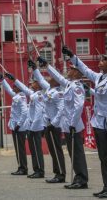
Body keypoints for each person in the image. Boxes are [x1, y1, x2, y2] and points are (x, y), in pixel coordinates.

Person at [37, 56, 88, 189]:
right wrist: (47, 66)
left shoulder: (77, 86)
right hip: (68, 125)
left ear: (77, 72)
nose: (69, 70)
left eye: (72, 69)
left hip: (74, 125)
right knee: (73, 153)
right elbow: (58, 78)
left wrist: (72, 123)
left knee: (77, 152)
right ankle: (78, 178)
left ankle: (82, 179)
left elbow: (78, 106)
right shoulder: (69, 84)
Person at [62, 47, 107, 197]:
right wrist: (72, 56)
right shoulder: (100, 77)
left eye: (103, 60)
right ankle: (106, 187)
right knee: (103, 157)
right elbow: (85, 69)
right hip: (99, 123)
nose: (100, 62)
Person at [28, 59, 66, 183]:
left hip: (54, 125)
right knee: (53, 151)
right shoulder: (50, 89)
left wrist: (53, 123)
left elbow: (61, 109)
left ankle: (60, 174)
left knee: (56, 150)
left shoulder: (59, 92)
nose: (48, 78)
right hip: (49, 124)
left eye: (51, 77)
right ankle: (57, 173)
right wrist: (35, 69)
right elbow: (40, 80)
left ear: (56, 79)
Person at [5, 72, 45, 178]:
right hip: (28, 126)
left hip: (31, 127)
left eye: (34, 82)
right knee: (32, 149)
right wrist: (6, 80)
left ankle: (36, 170)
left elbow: (32, 112)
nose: (32, 83)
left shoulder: (35, 95)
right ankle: (33, 169)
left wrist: (25, 125)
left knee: (34, 149)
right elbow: (13, 90)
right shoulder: (30, 94)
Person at [0, 71, 28, 175]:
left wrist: (19, 124)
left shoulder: (22, 97)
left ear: (19, 88)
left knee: (20, 149)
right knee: (18, 148)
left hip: (20, 127)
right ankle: (21, 166)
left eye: (15, 87)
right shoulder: (17, 95)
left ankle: (23, 168)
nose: (13, 88)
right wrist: (2, 80)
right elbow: (8, 89)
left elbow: (24, 112)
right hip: (16, 126)